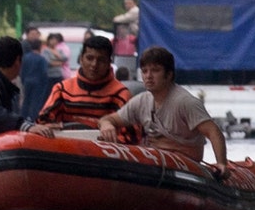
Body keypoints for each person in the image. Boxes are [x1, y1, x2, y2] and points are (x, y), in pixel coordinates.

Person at [98, 46, 230, 173]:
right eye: (144, 71)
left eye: (155, 70)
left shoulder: (185, 102)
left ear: (169, 74)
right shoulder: (141, 101)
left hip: (186, 168)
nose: (148, 76)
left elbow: (214, 132)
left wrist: (221, 163)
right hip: (153, 165)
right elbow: (108, 119)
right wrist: (106, 125)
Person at [38, 33, 130, 126]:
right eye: (90, 58)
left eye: (101, 60)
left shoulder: (120, 94)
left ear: (109, 63)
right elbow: (42, 122)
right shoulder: (62, 90)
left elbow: (132, 135)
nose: (94, 65)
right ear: (81, 59)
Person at [19, 36, 50, 121]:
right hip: (38, 83)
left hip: (27, 81)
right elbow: (44, 72)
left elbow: (22, 71)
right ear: (40, 47)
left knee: (26, 100)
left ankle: (23, 117)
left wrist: (23, 80)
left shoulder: (25, 58)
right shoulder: (42, 59)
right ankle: (33, 119)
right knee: (35, 102)